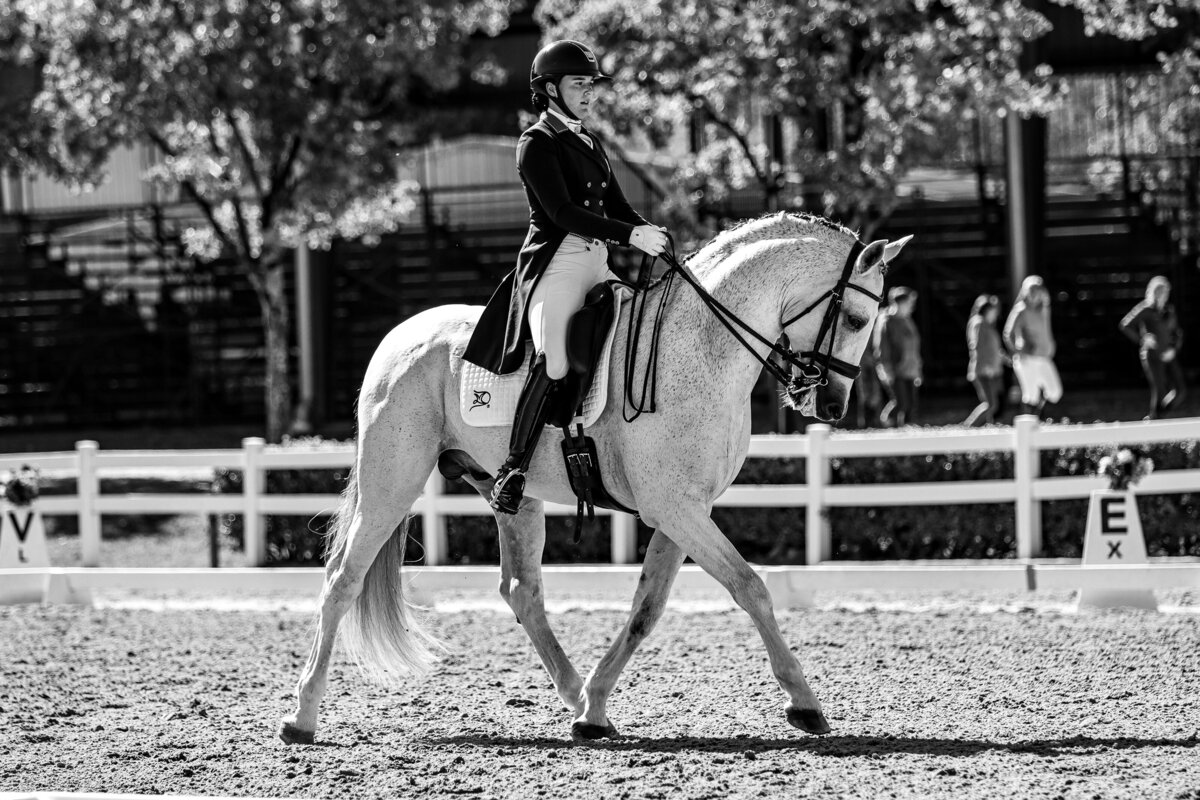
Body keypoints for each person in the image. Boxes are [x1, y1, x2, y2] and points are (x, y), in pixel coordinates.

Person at [462, 40, 668, 514]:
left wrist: (648, 230)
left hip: (598, 259)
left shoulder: (588, 140)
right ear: (550, 89)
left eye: (591, 85)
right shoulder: (537, 142)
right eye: (580, 84)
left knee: (641, 330)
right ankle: (513, 469)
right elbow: (563, 212)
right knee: (554, 359)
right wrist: (630, 235)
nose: (589, 93)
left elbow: (617, 207)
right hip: (558, 262)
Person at [1119, 275, 1185, 419]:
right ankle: (1156, 421)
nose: (1164, 296)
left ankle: (1156, 418)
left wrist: (1174, 349)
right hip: (1152, 355)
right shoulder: (1146, 308)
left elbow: (1177, 333)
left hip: (1168, 354)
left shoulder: (1169, 310)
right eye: (1161, 293)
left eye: (1166, 293)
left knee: (1180, 391)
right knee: (1160, 390)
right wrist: (1142, 339)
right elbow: (1125, 325)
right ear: (1154, 293)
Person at [1003, 275, 1062, 418]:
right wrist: (1019, 351)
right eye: (1032, 290)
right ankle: (1027, 426)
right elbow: (1008, 334)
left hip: (1043, 357)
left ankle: (1037, 417)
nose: (1035, 294)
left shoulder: (1043, 308)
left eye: (1038, 290)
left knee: (1055, 392)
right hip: (1028, 359)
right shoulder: (1021, 310)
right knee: (1031, 395)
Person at [874, 286, 922, 427]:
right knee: (901, 402)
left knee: (911, 404)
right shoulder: (887, 321)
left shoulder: (908, 320)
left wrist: (918, 369)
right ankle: (885, 423)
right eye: (909, 302)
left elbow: (915, 346)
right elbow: (882, 348)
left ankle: (906, 432)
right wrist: (887, 370)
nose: (912, 306)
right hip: (895, 370)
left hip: (911, 369)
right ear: (899, 303)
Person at [962, 294, 1007, 426]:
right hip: (983, 370)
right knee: (991, 404)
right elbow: (977, 345)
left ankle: (988, 430)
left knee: (993, 404)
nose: (996, 314)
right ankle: (968, 428)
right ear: (987, 310)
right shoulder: (979, 322)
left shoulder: (987, 325)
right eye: (994, 310)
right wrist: (987, 365)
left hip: (992, 371)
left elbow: (994, 349)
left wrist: (1006, 359)